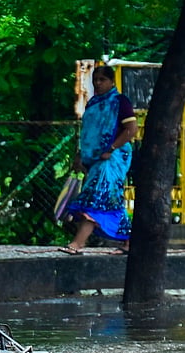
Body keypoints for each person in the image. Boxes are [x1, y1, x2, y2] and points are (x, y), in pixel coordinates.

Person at [60, 65, 138, 256]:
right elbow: (88, 133)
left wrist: (111, 149)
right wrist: (80, 155)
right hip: (94, 158)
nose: (97, 83)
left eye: (102, 79)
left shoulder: (120, 102)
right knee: (110, 201)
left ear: (112, 82)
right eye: (95, 79)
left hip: (112, 158)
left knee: (97, 198)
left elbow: (132, 130)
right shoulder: (93, 103)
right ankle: (129, 243)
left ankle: (77, 244)